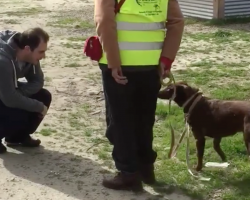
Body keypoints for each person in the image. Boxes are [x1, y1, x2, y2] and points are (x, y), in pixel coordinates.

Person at [94, 0, 184, 191]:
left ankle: (128, 174)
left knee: (120, 121)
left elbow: (104, 20)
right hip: (151, 65)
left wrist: (113, 60)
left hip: (120, 67)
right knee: (144, 119)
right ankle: (145, 170)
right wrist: (166, 59)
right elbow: (176, 22)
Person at [0, 27, 52, 153]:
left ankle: (16, 138)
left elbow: (37, 81)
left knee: (43, 96)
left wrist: (19, 94)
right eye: (41, 52)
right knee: (18, 110)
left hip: (6, 90)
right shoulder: (3, 60)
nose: (44, 56)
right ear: (28, 49)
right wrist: (39, 107)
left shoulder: (29, 55)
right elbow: (10, 99)